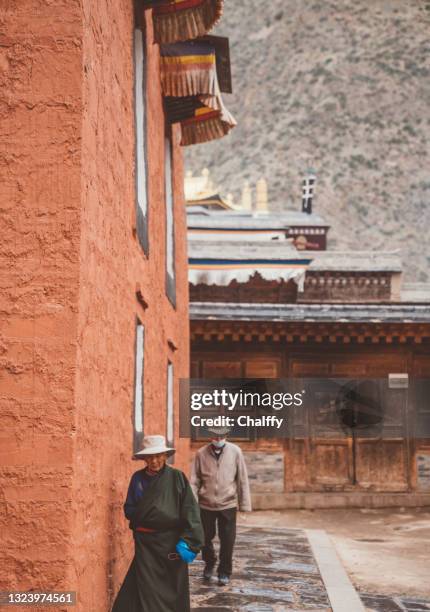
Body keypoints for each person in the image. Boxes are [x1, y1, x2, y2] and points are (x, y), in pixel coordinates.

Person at [112, 435, 204, 612]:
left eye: (158, 456)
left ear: (165, 456)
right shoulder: (137, 479)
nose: (154, 461)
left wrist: (190, 540)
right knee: (147, 585)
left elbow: (190, 510)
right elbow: (129, 508)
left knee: (172, 587)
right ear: (144, 459)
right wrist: (145, 516)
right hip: (146, 543)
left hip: (171, 542)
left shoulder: (177, 477)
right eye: (149, 457)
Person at [190, 426, 252, 587]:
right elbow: (194, 481)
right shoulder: (200, 454)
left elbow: (242, 479)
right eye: (215, 437)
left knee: (227, 540)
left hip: (228, 504)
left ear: (226, 436)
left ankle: (224, 571)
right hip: (205, 504)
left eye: (221, 437)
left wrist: (244, 505)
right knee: (204, 538)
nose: (218, 440)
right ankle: (210, 562)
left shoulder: (235, 451)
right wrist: (192, 503)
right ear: (210, 436)